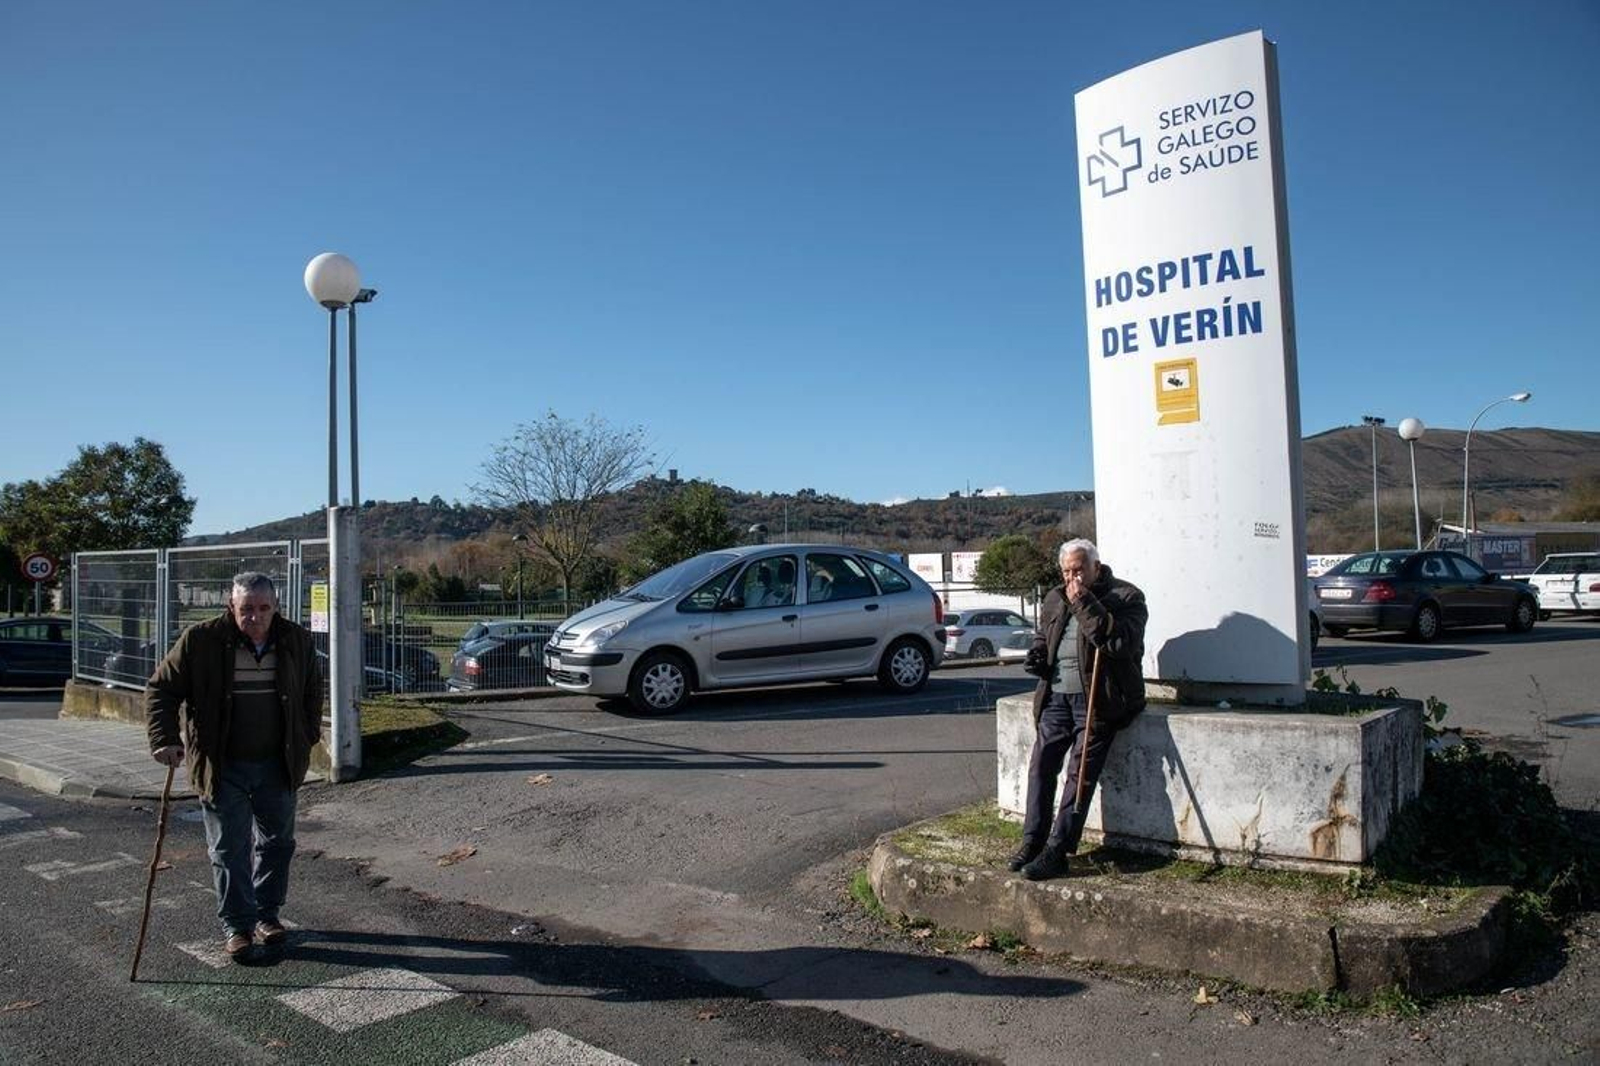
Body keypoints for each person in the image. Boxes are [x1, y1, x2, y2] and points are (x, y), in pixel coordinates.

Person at [146, 572, 323, 960]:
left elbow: (312, 689)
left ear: (276, 607)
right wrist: (165, 739)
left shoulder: (295, 639)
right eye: (246, 609)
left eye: (263, 608)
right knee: (229, 848)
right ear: (231, 606)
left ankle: (267, 914)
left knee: (278, 844)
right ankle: (238, 925)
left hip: (278, 763)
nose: (255, 617)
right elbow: (162, 689)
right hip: (222, 765)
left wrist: (307, 733)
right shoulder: (201, 640)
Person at [1011, 538, 1147, 880]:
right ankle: (1032, 841)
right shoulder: (1055, 597)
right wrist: (1038, 655)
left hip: (1099, 700)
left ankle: (1057, 850)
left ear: (1095, 567)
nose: (1072, 578)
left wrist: (1085, 602)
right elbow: (1045, 636)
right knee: (1041, 767)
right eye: (1066, 571)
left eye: (1079, 570)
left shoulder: (1126, 597)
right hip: (1056, 698)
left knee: (1080, 775)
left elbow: (1119, 643)